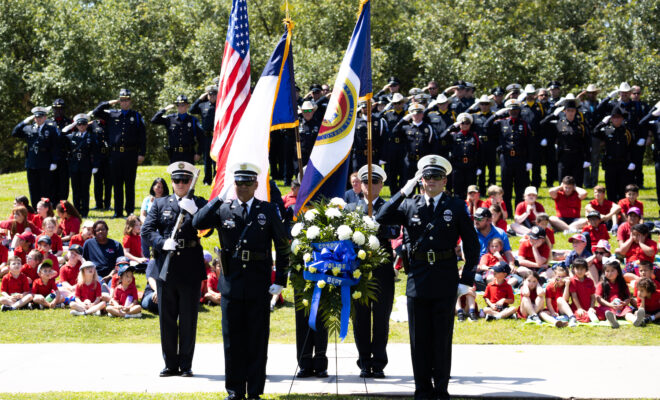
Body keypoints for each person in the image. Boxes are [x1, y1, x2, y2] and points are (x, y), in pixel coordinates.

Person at [375, 154, 479, 400]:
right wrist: (404, 190)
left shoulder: (454, 206)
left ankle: (441, 390)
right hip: (418, 279)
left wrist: (465, 280)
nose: (431, 181)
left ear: (445, 181)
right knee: (418, 339)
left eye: (437, 177)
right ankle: (422, 390)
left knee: (442, 339)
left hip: (444, 277)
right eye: (427, 177)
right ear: (421, 180)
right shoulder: (410, 204)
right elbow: (381, 216)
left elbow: (472, 245)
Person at [193, 162, 289, 400]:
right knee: (232, 341)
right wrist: (216, 198)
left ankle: (255, 391)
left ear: (256, 185)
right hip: (231, 284)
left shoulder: (267, 210)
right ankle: (235, 391)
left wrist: (282, 279)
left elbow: (283, 245)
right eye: (238, 183)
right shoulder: (224, 209)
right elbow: (197, 223)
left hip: (258, 283)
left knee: (257, 340)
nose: (243, 188)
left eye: (247, 183)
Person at [142, 161, 208, 378]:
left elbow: (208, 230)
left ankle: (186, 365)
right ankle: (170, 364)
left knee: (188, 319)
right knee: (167, 319)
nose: (181, 184)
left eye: (185, 180)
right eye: (177, 180)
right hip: (166, 268)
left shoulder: (198, 202)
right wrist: (161, 242)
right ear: (171, 182)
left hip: (189, 267)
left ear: (191, 182)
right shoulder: (161, 203)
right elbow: (147, 230)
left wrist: (196, 212)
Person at [345, 164, 398, 378]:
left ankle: (379, 361)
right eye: (366, 182)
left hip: (382, 271)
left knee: (381, 317)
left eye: (374, 182)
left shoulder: (390, 207)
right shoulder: (350, 208)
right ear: (361, 184)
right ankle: (364, 361)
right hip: (357, 271)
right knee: (360, 318)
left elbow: (395, 231)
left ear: (381, 184)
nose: (370, 186)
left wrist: (378, 227)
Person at [92, 89, 147, 218]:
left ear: (130, 101)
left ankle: (129, 211)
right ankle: (118, 211)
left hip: (130, 153)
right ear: (119, 101)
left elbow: (142, 137)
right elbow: (96, 112)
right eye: (122, 100)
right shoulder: (112, 114)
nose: (124, 102)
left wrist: (142, 153)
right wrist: (110, 103)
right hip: (115, 154)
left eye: (127, 100)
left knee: (129, 184)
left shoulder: (136, 116)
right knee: (116, 183)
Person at [485, 99, 533, 215]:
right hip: (506, 159)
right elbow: (486, 126)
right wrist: (496, 114)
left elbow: (530, 144)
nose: (513, 112)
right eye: (511, 110)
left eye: (516, 109)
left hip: (520, 158)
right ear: (508, 110)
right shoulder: (501, 122)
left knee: (520, 186)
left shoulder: (524, 124)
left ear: (519, 110)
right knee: (506, 186)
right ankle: (508, 212)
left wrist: (529, 161)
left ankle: (518, 211)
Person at [12, 107, 60, 205]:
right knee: (33, 188)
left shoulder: (51, 129)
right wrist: (24, 122)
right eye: (36, 117)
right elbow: (15, 133)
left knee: (45, 188)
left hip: (45, 162)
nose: (38, 119)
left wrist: (54, 162)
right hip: (32, 163)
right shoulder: (29, 128)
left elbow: (55, 146)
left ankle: (45, 210)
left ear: (45, 117)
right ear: (34, 118)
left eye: (41, 117)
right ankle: (35, 210)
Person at [592, 106, 635, 203]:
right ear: (611, 119)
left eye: (618, 117)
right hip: (610, 164)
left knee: (622, 189)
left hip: (623, 164)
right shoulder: (607, 129)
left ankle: (622, 212)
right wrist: (603, 122)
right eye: (614, 117)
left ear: (622, 118)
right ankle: (612, 213)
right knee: (611, 189)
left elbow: (632, 148)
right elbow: (594, 132)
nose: (616, 119)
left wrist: (632, 161)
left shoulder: (627, 131)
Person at [61, 113, 100, 217]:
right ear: (76, 125)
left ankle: (85, 211)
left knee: (84, 189)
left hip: (86, 166)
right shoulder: (73, 136)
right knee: (75, 190)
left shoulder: (91, 137)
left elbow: (96, 152)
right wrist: (72, 125)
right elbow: (62, 133)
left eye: (83, 124)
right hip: (74, 166)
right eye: (79, 125)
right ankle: (76, 211)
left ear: (87, 125)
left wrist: (95, 165)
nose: (81, 126)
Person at [151, 95, 203, 164]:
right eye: (178, 105)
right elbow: (154, 120)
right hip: (174, 154)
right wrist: (165, 109)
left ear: (187, 105)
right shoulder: (170, 118)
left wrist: (198, 153)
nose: (180, 107)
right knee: (175, 174)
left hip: (188, 154)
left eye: (182, 105)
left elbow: (201, 138)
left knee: (188, 174)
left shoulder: (193, 120)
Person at [445, 113, 481, 198]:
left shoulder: (474, 136)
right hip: (457, 166)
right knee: (457, 191)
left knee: (470, 190)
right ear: (459, 124)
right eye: (462, 123)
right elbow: (442, 137)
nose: (465, 125)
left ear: (470, 124)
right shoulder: (454, 135)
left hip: (471, 166)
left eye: (467, 123)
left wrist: (479, 167)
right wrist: (452, 126)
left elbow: (479, 151)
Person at [189, 85, 218, 185]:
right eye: (210, 94)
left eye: (214, 94)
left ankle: (216, 178)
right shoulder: (203, 105)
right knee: (207, 159)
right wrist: (200, 98)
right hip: (206, 136)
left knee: (216, 159)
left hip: (217, 136)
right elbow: (191, 110)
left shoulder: (220, 105)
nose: (212, 96)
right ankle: (207, 180)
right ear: (207, 95)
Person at [594, 260, 632, 329]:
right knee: (609, 312)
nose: (609, 273)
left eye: (612, 270)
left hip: (621, 306)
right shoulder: (601, 284)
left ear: (618, 272)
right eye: (607, 271)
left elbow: (628, 297)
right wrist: (610, 305)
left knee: (627, 312)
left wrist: (624, 303)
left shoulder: (622, 284)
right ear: (604, 272)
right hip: (607, 306)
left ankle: (635, 320)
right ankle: (613, 321)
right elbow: (598, 298)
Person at [140, 178, 170, 258]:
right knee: (143, 230)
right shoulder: (147, 200)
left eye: (162, 187)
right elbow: (142, 215)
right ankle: (145, 257)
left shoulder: (167, 200)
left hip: (161, 225)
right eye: (158, 187)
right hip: (149, 224)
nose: (159, 189)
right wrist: (146, 224)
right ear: (153, 187)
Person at [89, 116, 113, 210]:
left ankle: (107, 204)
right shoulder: (93, 124)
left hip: (108, 156)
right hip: (98, 156)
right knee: (97, 182)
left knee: (108, 182)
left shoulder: (112, 123)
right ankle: (98, 204)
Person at [568, 258, 599, 324]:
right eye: (577, 269)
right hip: (577, 308)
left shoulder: (590, 281)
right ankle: (591, 317)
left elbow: (593, 296)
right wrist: (579, 308)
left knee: (601, 312)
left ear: (586, 270)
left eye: (582, 269)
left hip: (589, 307)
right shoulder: (572, 281)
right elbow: (574, 296)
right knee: (583, 317)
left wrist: (591, 307)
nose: (579, 271)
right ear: (573, 269)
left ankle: (592, 315)